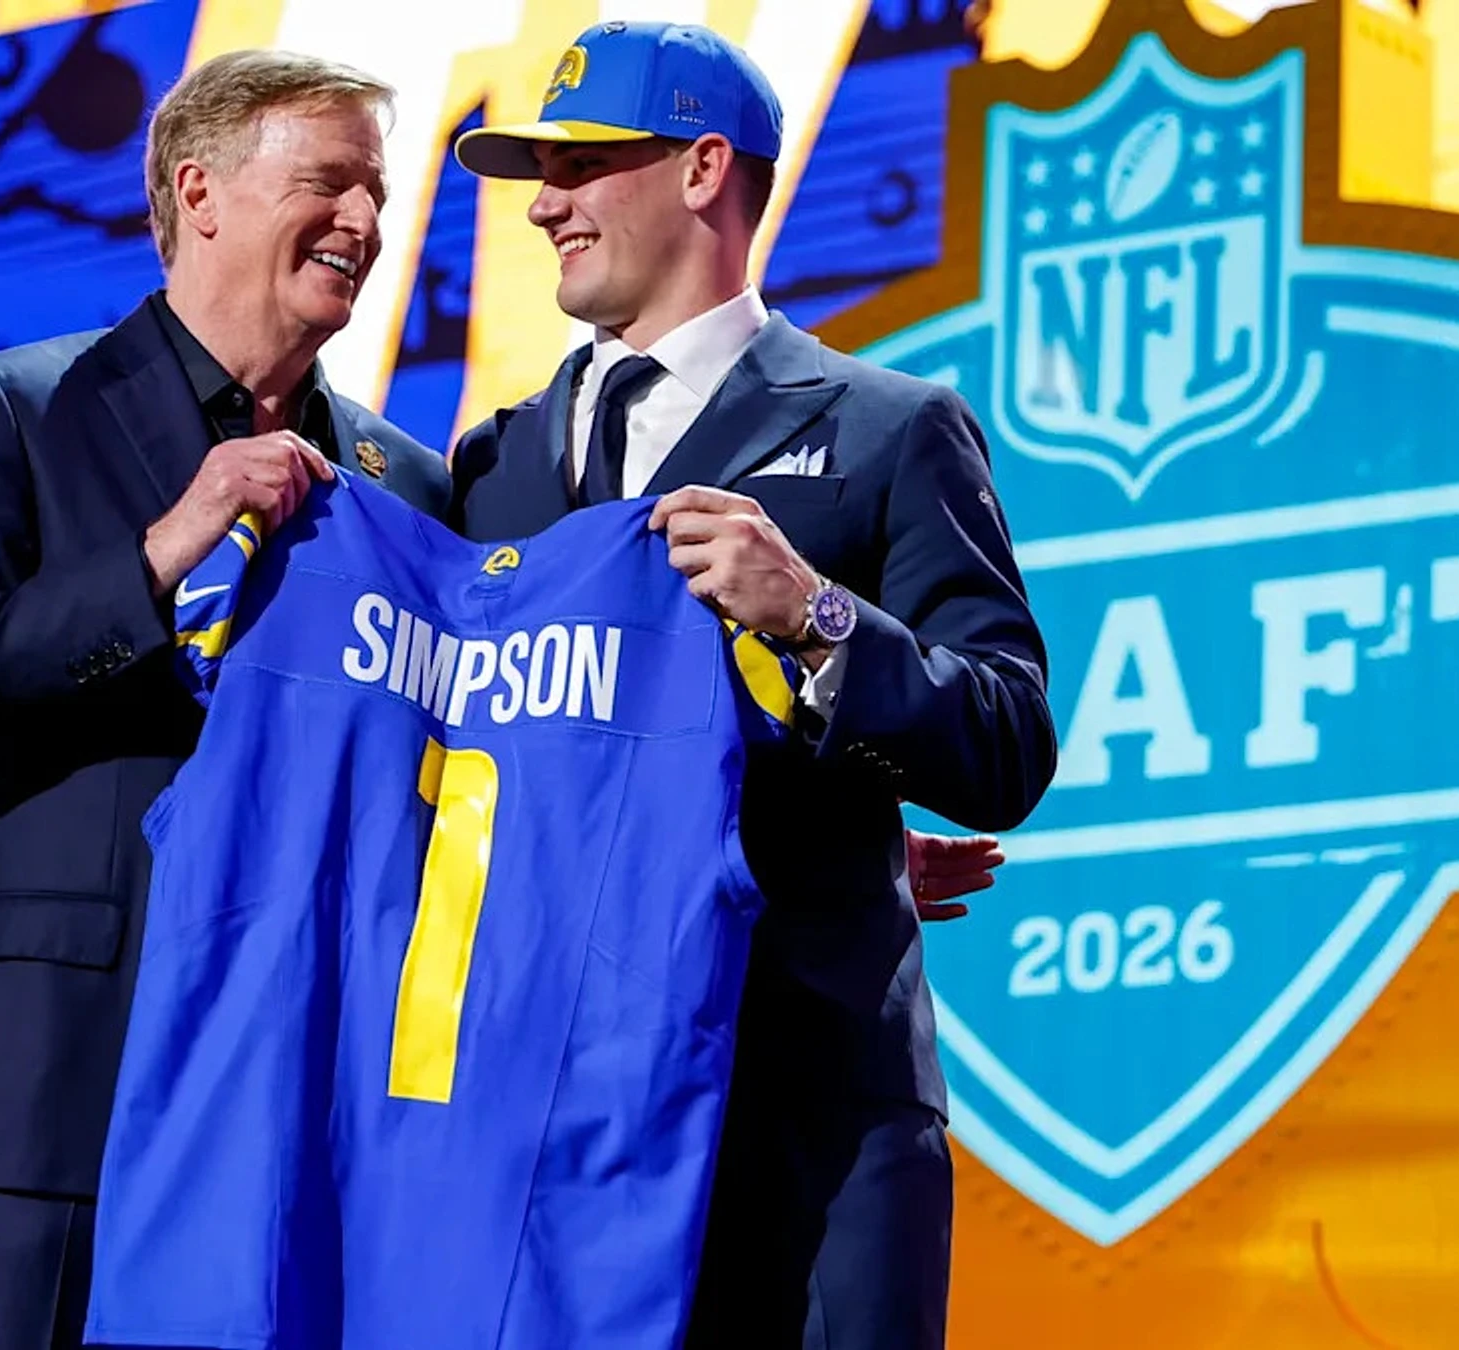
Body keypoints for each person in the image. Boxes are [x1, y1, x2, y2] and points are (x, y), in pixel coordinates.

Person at [448, 21, 1056, 1349]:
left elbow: (1008, 737)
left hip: (804, 1115)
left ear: (703, 168)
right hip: (549, 1128)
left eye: (581, 165)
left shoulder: (890, 429)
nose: (544, 204)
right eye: (541, 172)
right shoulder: (490, 471)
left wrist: (818, 617)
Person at [0, 49, 449, 1348]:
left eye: (375, 191)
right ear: (201, 191)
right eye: (329, 182)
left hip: (306, 1078)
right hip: (65, 1073)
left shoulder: (406, 484)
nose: (364, 220)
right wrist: (164, 548)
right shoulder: (16, 411)